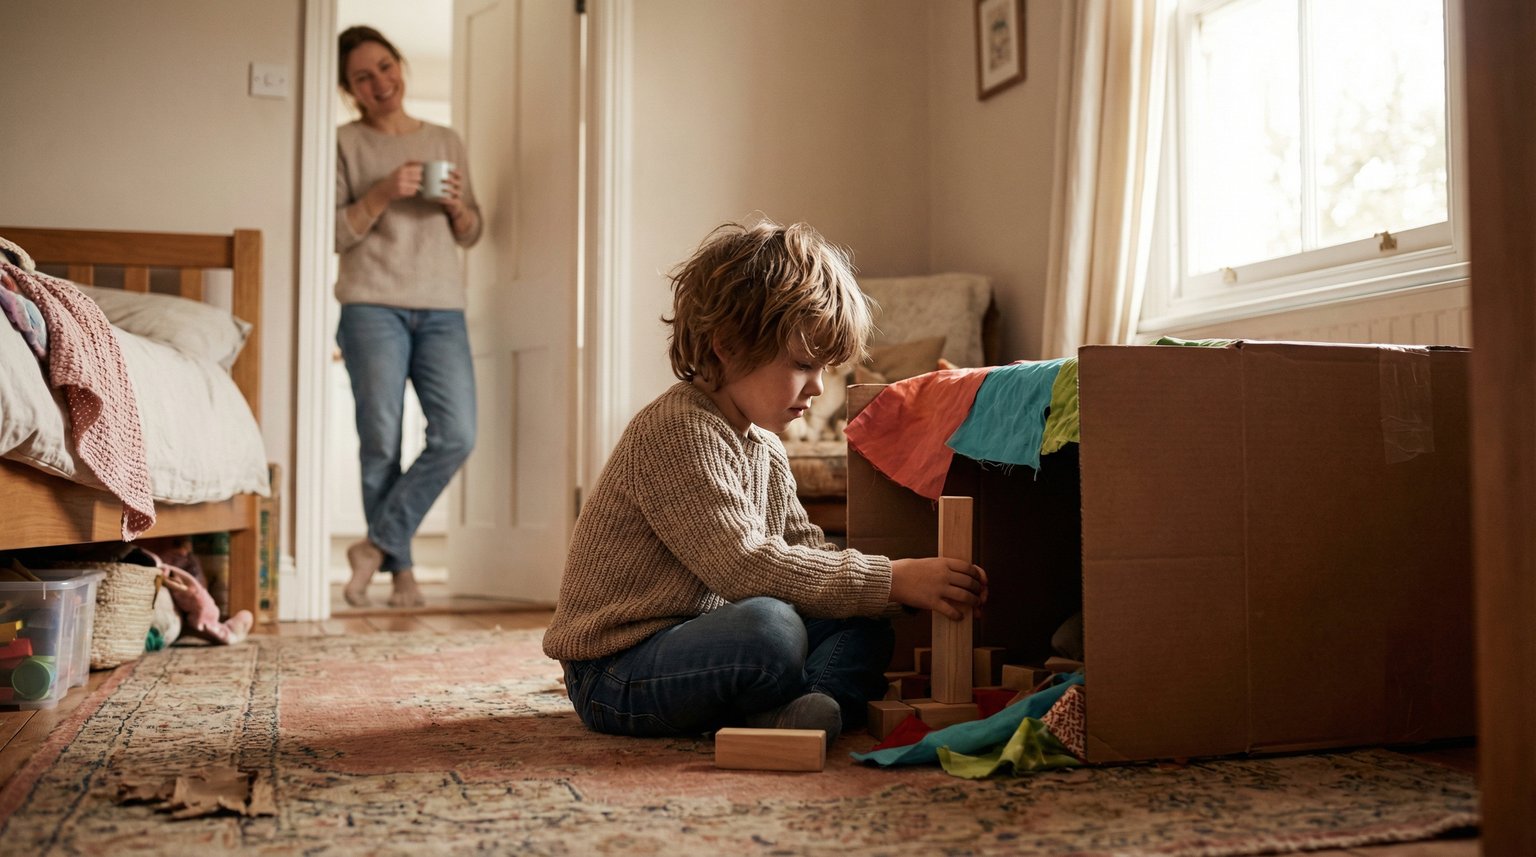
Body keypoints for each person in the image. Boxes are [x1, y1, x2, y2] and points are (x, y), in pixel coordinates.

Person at [542, 219, 988, 746]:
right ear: (728, 345)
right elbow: (745, 566)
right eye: (803, 364)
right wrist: (891, 578)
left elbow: (801, 548)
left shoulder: (764, 443)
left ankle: (793, 714)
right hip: (618, 670)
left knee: (862, 619)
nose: (819, 387)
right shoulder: (677, 428)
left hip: (707, 639)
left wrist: (895, 589)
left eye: (824, 368)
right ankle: (784, 706)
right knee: (771, 628)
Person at [334, 26, 482, 608]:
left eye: (386, 67)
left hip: (442, 306)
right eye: (362, 77)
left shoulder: (445, 138)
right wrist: (381, 192)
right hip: (370, 304)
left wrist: (455, 207)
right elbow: (333, 232)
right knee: (380, 440)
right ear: (350, 89)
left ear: (401, 67)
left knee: (457, 434)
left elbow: (472, 231)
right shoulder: (345, 143)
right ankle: (401, 573)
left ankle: (373, 545)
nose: (380, 83)